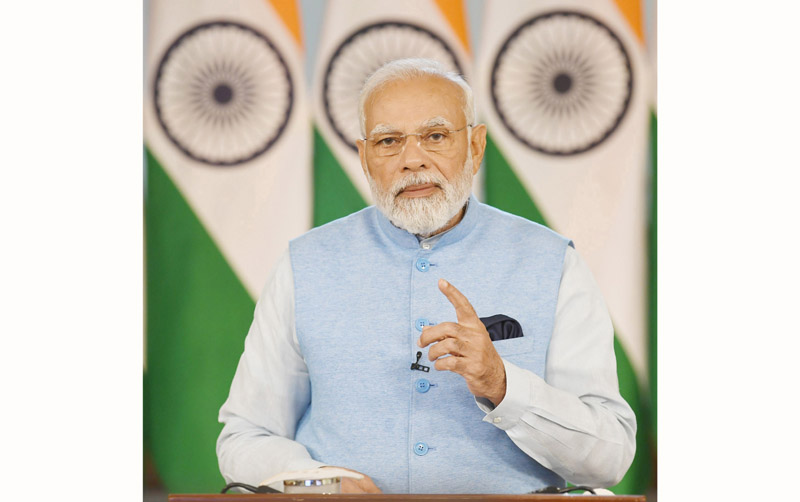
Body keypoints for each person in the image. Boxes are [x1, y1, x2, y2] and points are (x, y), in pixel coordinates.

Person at [216, 58, 636, 494]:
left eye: (435, 136)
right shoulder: (304, 264)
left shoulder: (552, 263)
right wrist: (321, 484)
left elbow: (609, 459)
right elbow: (245, 437)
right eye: (388, 141)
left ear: (475, 146)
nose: (411, 159)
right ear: (364, 158)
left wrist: (502, 383)